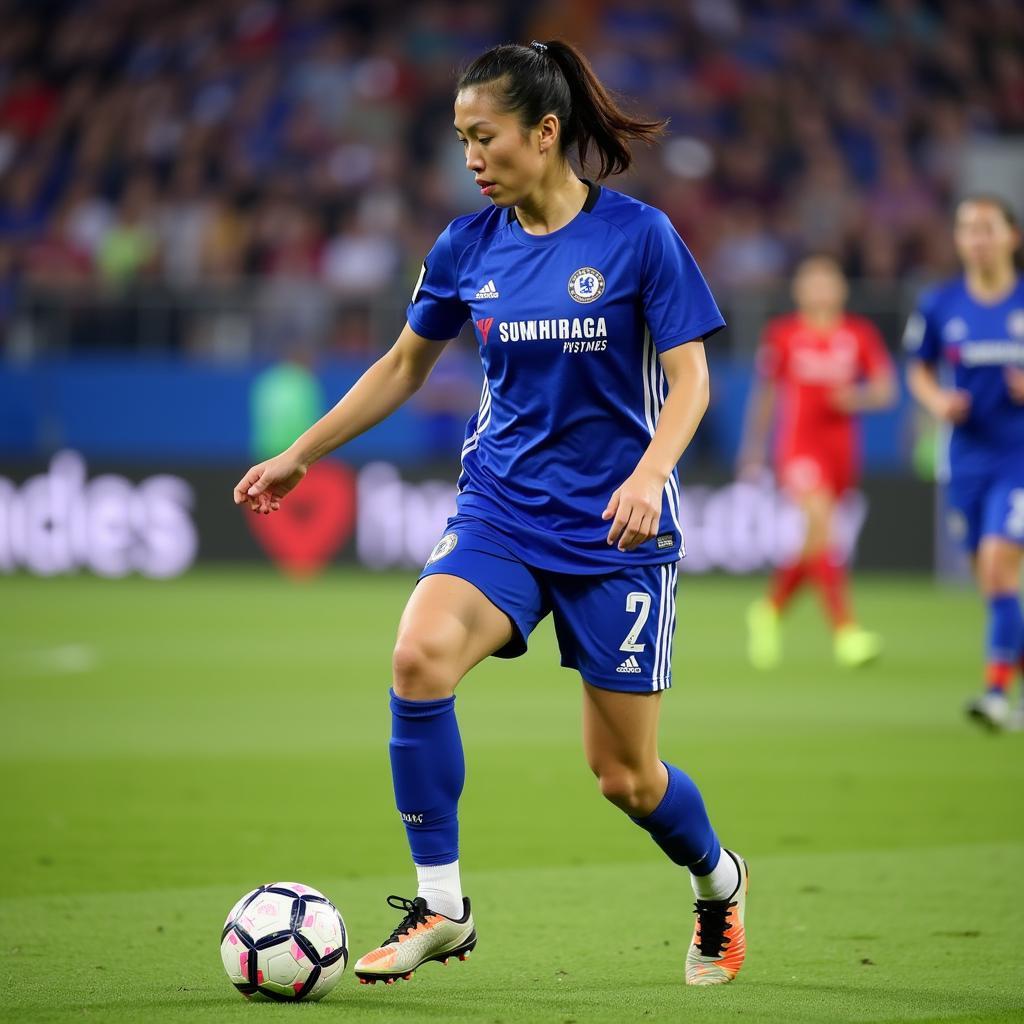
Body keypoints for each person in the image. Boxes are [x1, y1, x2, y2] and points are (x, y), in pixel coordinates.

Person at [233, 40, 748, 987]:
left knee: (626, 780)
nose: (470, 157)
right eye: (461, 139)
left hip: (615, 536)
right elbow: (401, 366)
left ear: (545, 135)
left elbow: (692, 383)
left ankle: (719, 884)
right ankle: (443, 905)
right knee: (417, 656)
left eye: (486, 136)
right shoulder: (467, 246)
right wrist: (301, 454)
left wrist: (648, 475)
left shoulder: (640, 237)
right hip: (502, 510)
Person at [739, 255, 896, 669]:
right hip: (799, 447)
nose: (821, 290)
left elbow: (885, 390)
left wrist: (855, 398)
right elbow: (766, 395)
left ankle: (770, 609)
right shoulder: (784, 334)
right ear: (799, 290)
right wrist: (753, 448)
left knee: (816, 542)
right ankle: (846, 632)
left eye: (828, 282)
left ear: (842, 289)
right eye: (813, 282)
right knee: (823, 528)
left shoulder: (858, 334)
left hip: (842, 450)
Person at [904, 195, 1024, 731]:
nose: (977, 238)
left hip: (1017, 459)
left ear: (1011, 237)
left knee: (1000, 567)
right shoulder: (940, 303)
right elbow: (919, 370)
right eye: (967, 229)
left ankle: (996, 695)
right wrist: (937, 403)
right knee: (991, 582)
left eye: (987, 228)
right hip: (967, 461)